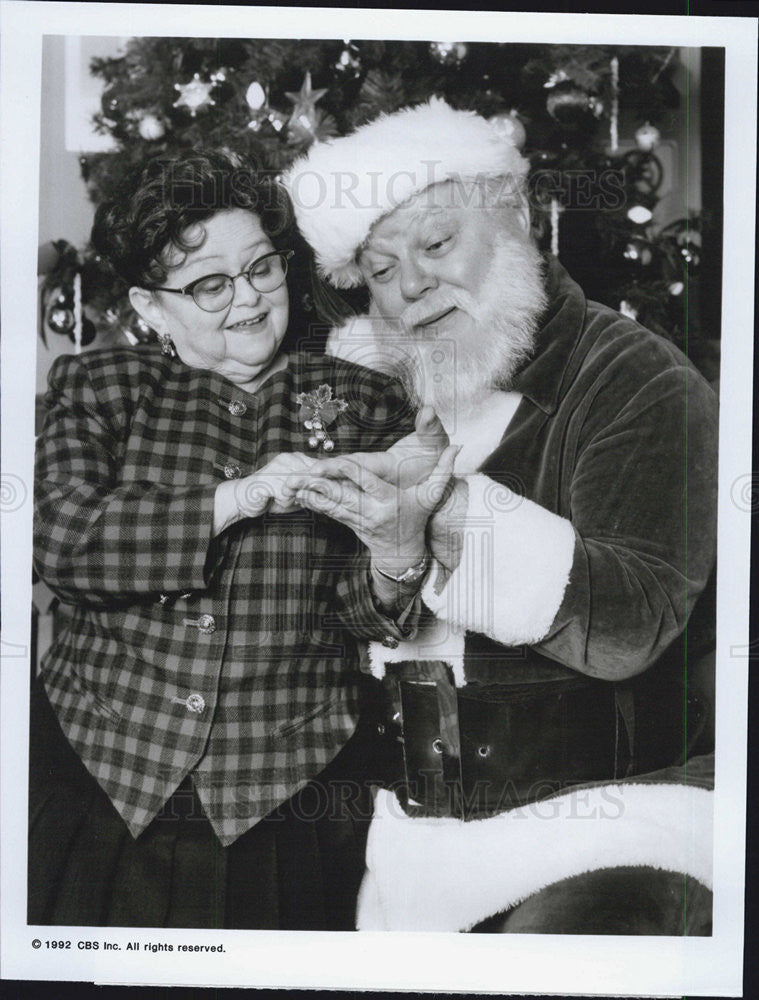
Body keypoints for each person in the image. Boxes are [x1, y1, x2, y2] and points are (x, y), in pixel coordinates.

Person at [283, 98, 718, 933]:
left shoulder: (640, 382)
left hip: (611, 830)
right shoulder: (375, 398)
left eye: (437, 243)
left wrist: (444, 509)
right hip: (413, 847)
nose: (410, 285)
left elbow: (630, 625)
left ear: (513, 218)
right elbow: (343, 619)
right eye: (379, 268)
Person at [30, 149, 456, 929]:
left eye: (260, 268)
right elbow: (61, 540)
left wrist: (398, 555)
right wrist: (238, 496)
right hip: (96, 776)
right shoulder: (100, 389)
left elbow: (357, 615)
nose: (249, 299)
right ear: (151, 307)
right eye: (209, 285)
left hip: (288, 797)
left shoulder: (364, 402)